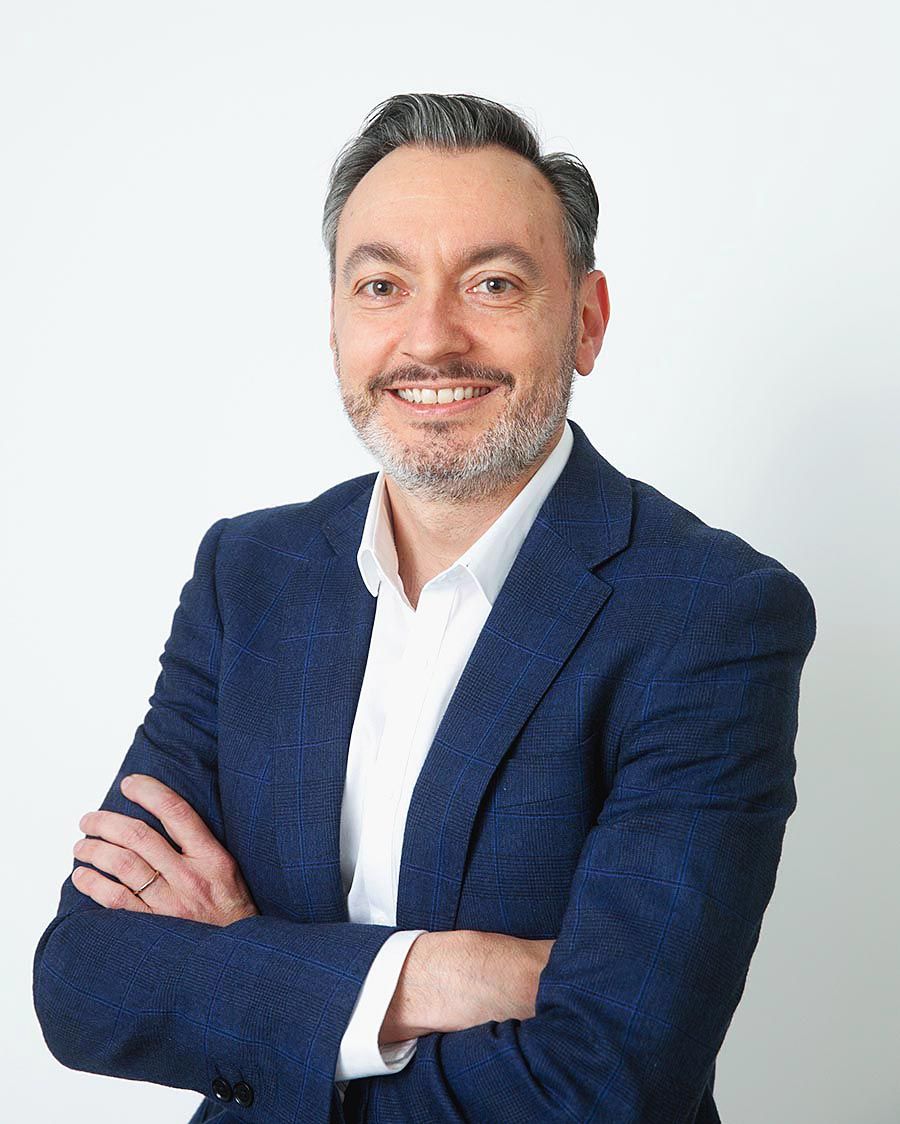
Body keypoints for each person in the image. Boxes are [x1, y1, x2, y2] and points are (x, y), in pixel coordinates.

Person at [33, 93, 817, 1124]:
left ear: (585, 320)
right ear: (335, 322)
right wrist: (442, 976)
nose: (431, 340)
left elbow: (610, 1079)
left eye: (493, 283)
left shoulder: (709, 615)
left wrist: (251, 971)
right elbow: (84, 981)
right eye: (382, 285)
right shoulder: (251, 575)